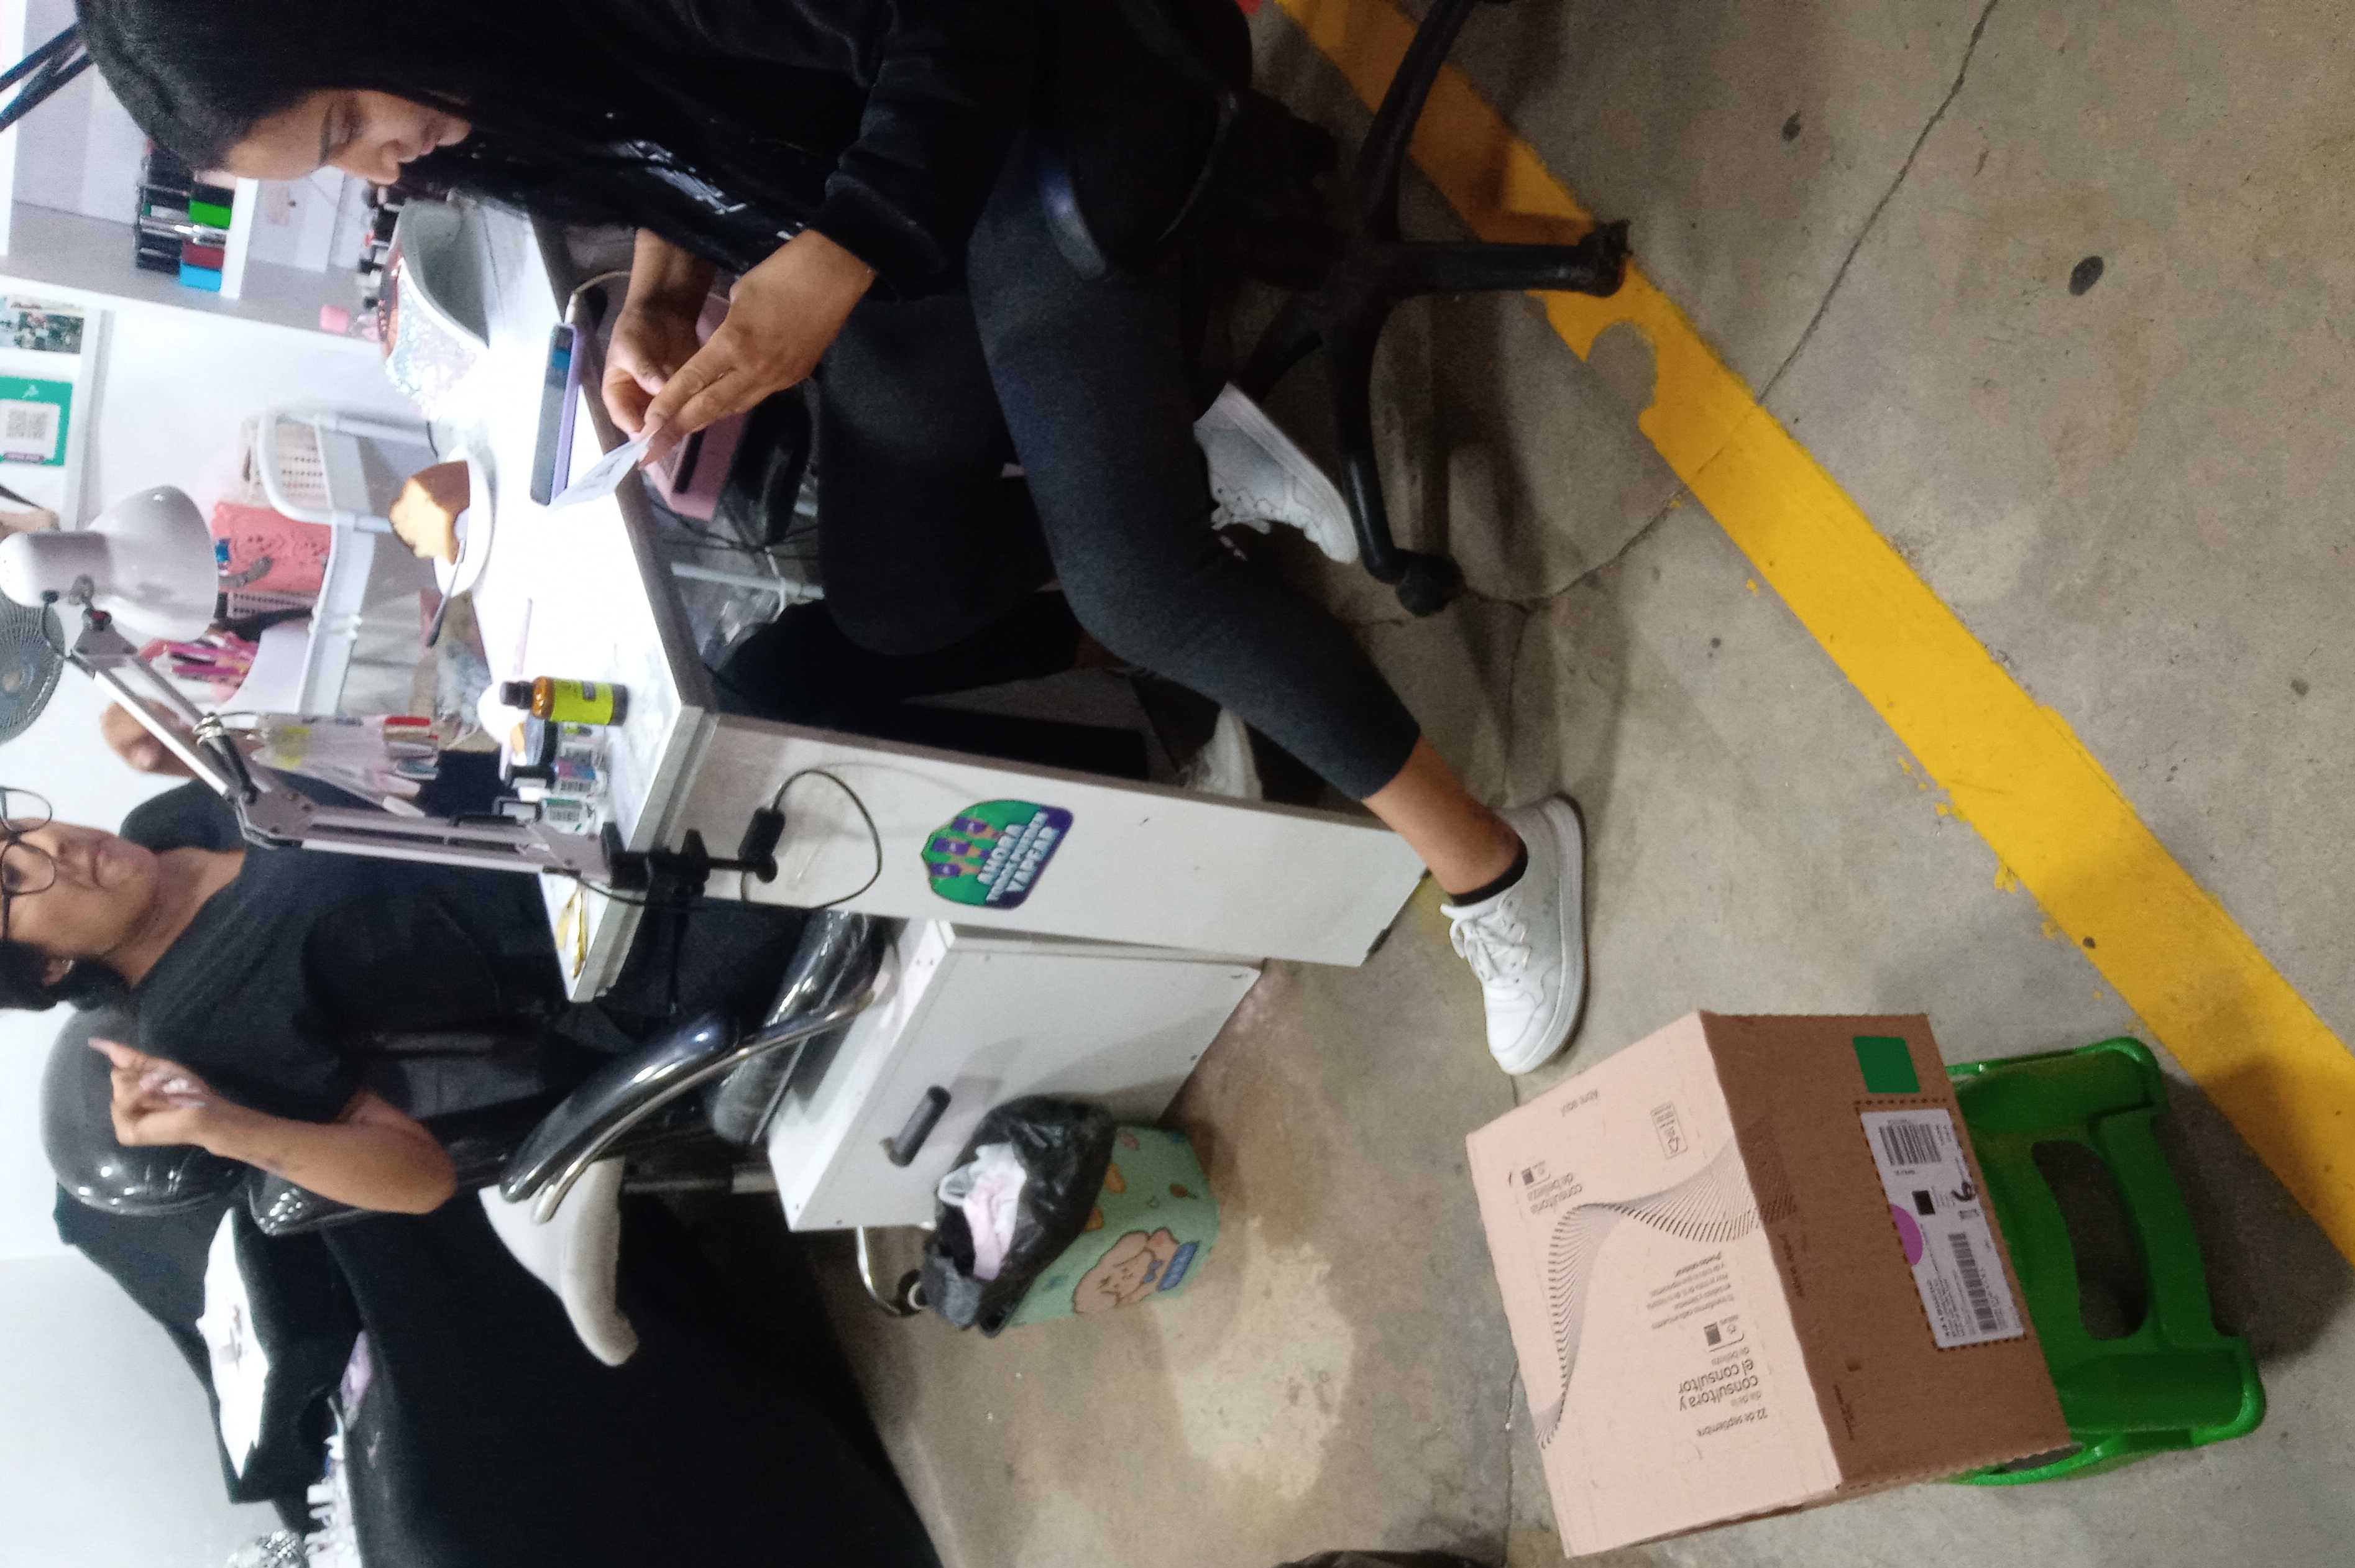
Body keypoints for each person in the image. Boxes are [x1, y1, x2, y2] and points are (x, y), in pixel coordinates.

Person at [75, 0, 1589, 1076]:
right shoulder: (466, 101)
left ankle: (1497, 869)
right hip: (884, 207)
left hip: (1035, 99)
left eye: (347, 124)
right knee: (888, 601)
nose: (378, 165)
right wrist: (665, 292)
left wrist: (838, 255)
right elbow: (663, 137)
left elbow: (953, 28)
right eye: (335, 162)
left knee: (1138, 590)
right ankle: (1178, 453)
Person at [0, 779, 796, 1214]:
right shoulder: (196, 1023)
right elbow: (418, 1180)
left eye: (15, 832)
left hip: (594, 794)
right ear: (45, 969)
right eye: (13, 880)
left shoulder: (167, 816)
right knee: (814, 814)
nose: (51, 844)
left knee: (779, 655)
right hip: (638, 944)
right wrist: (225, 1128)